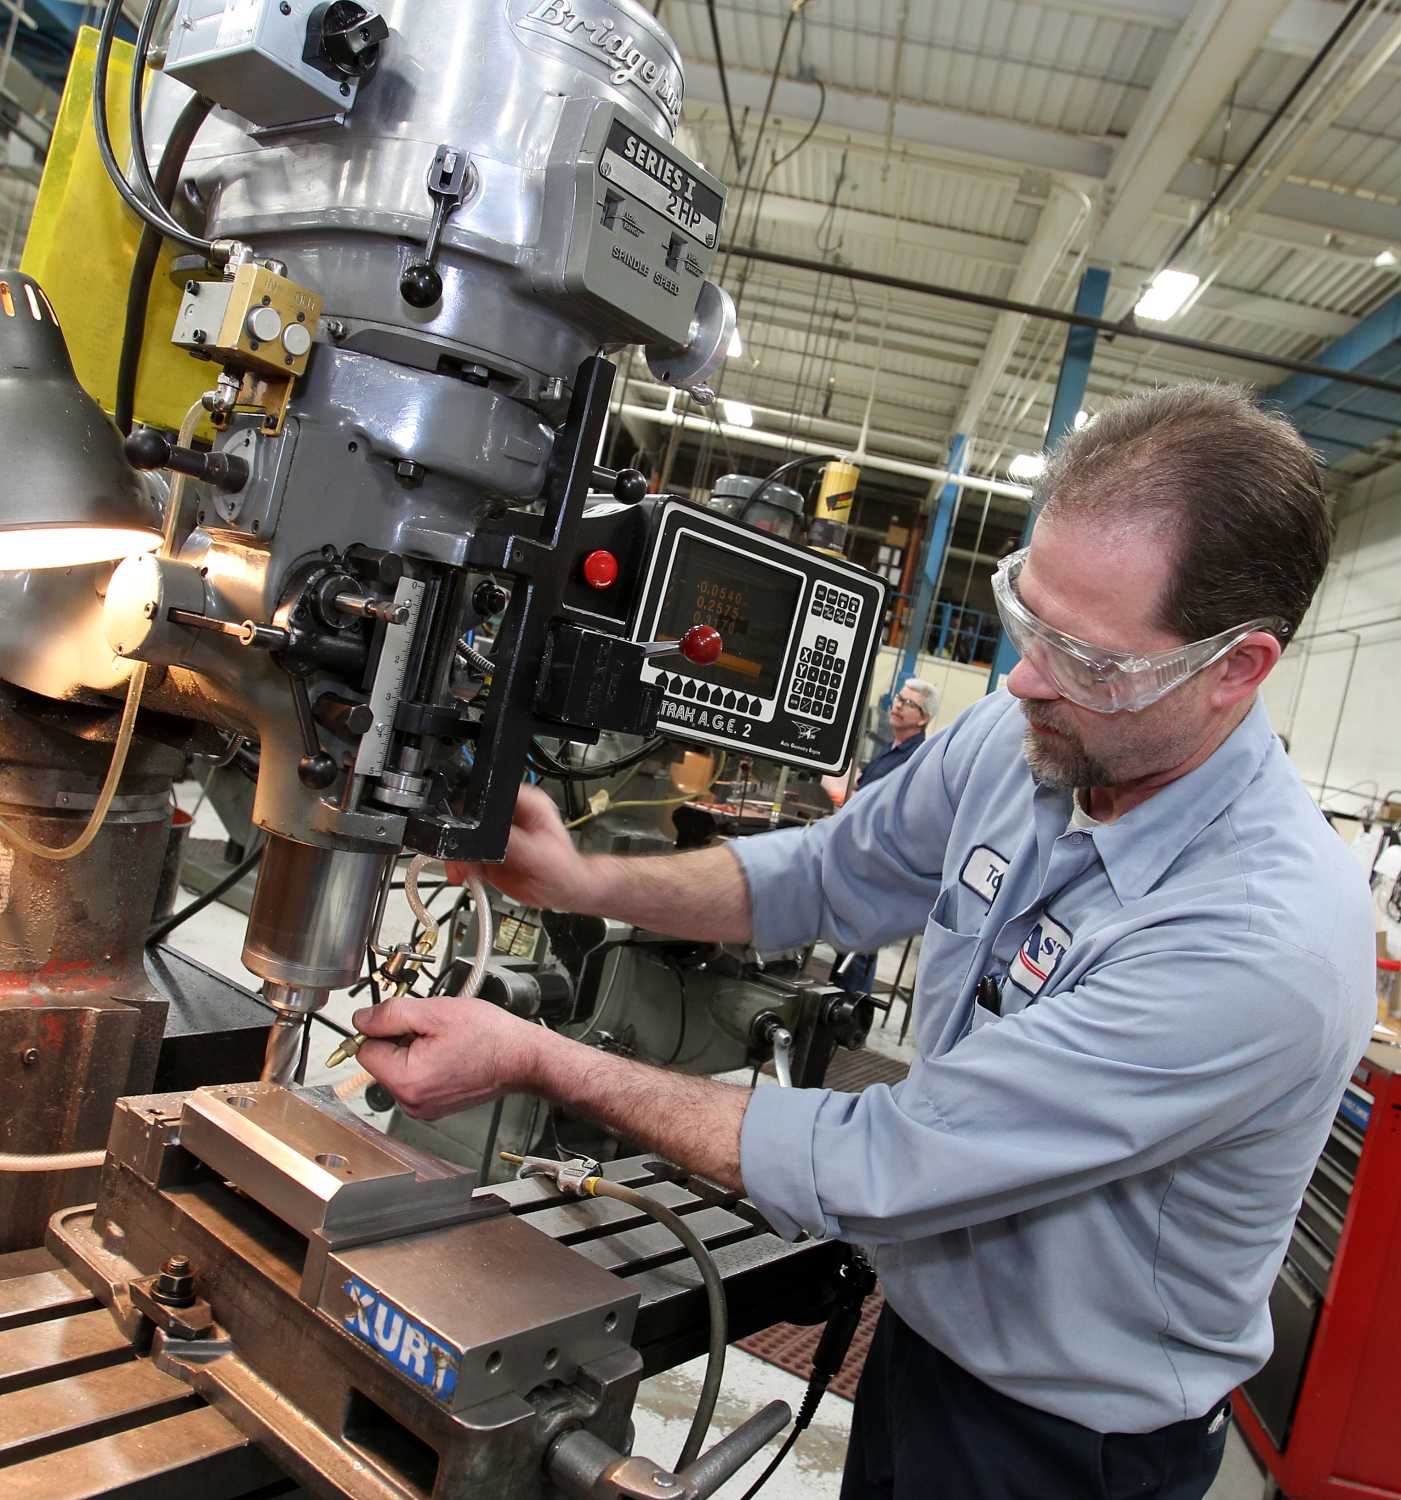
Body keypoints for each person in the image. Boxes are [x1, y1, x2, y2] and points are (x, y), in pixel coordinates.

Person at [354, 383, 1374, 1500]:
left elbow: (886, 1160)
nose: (1023, 678)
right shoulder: (1026, 736)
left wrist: (536, 1054)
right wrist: (584, 878)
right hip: (922, 1349)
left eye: (1087, 659)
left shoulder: (1259, 944)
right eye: (1025, 618)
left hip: (1071, 1450)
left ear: (1236, 668)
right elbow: (834, 874)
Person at [824, 676, 939, 995]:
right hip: (860, 855)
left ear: (924, 717)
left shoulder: (916, 759)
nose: (898, 706)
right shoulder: (890, 751)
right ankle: (836, 1001)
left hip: (880, 863)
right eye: (898, 700)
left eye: (909, 704)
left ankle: (845, 1010)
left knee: (858, 951)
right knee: (851, 943)